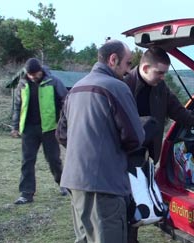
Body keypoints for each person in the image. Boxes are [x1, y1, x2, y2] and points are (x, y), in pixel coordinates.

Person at [56, 40, 145, 243]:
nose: (128, 70)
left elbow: (61, 134)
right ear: (113, 60)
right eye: (128, 63)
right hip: (105, 185)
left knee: (85, 238)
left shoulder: (76, 88)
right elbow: (134, 138)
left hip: (74, 180)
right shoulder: (116, 88)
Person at [123, 47, 194, 243]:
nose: (163, 77)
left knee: (138, 201)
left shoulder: (160, 88)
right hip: (122, 156)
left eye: (165, 73)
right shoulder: (124, 85)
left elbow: (178, 111)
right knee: (123, 204)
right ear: (145, 67)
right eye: (160, 73)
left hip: (144, 156)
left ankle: (131, 238)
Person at [11, 57, 68, 205]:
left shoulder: (54, 82)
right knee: (27, 161)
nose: (33, 77)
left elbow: (66, 102)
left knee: (54, 160)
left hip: (50, 128)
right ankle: (26, 193)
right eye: (30, 74)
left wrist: (65, 123)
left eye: (35, 74)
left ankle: (64, 185)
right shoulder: (22, 85)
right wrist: (15, 126)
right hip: (28, 129)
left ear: (40, 71)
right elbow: (17, 106)